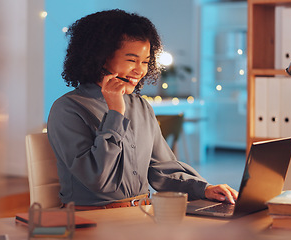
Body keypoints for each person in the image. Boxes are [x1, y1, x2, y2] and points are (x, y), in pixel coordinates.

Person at [47, 9, 238, 210]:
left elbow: (162, 169)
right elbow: (97, 180)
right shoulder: (68, 109)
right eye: (131, 60)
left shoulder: (140, 106)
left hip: (142, 213)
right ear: (101, 58)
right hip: (93, 219)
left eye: (145, 62)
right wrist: (115, 114)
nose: (140, 70)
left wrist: (205, 188)